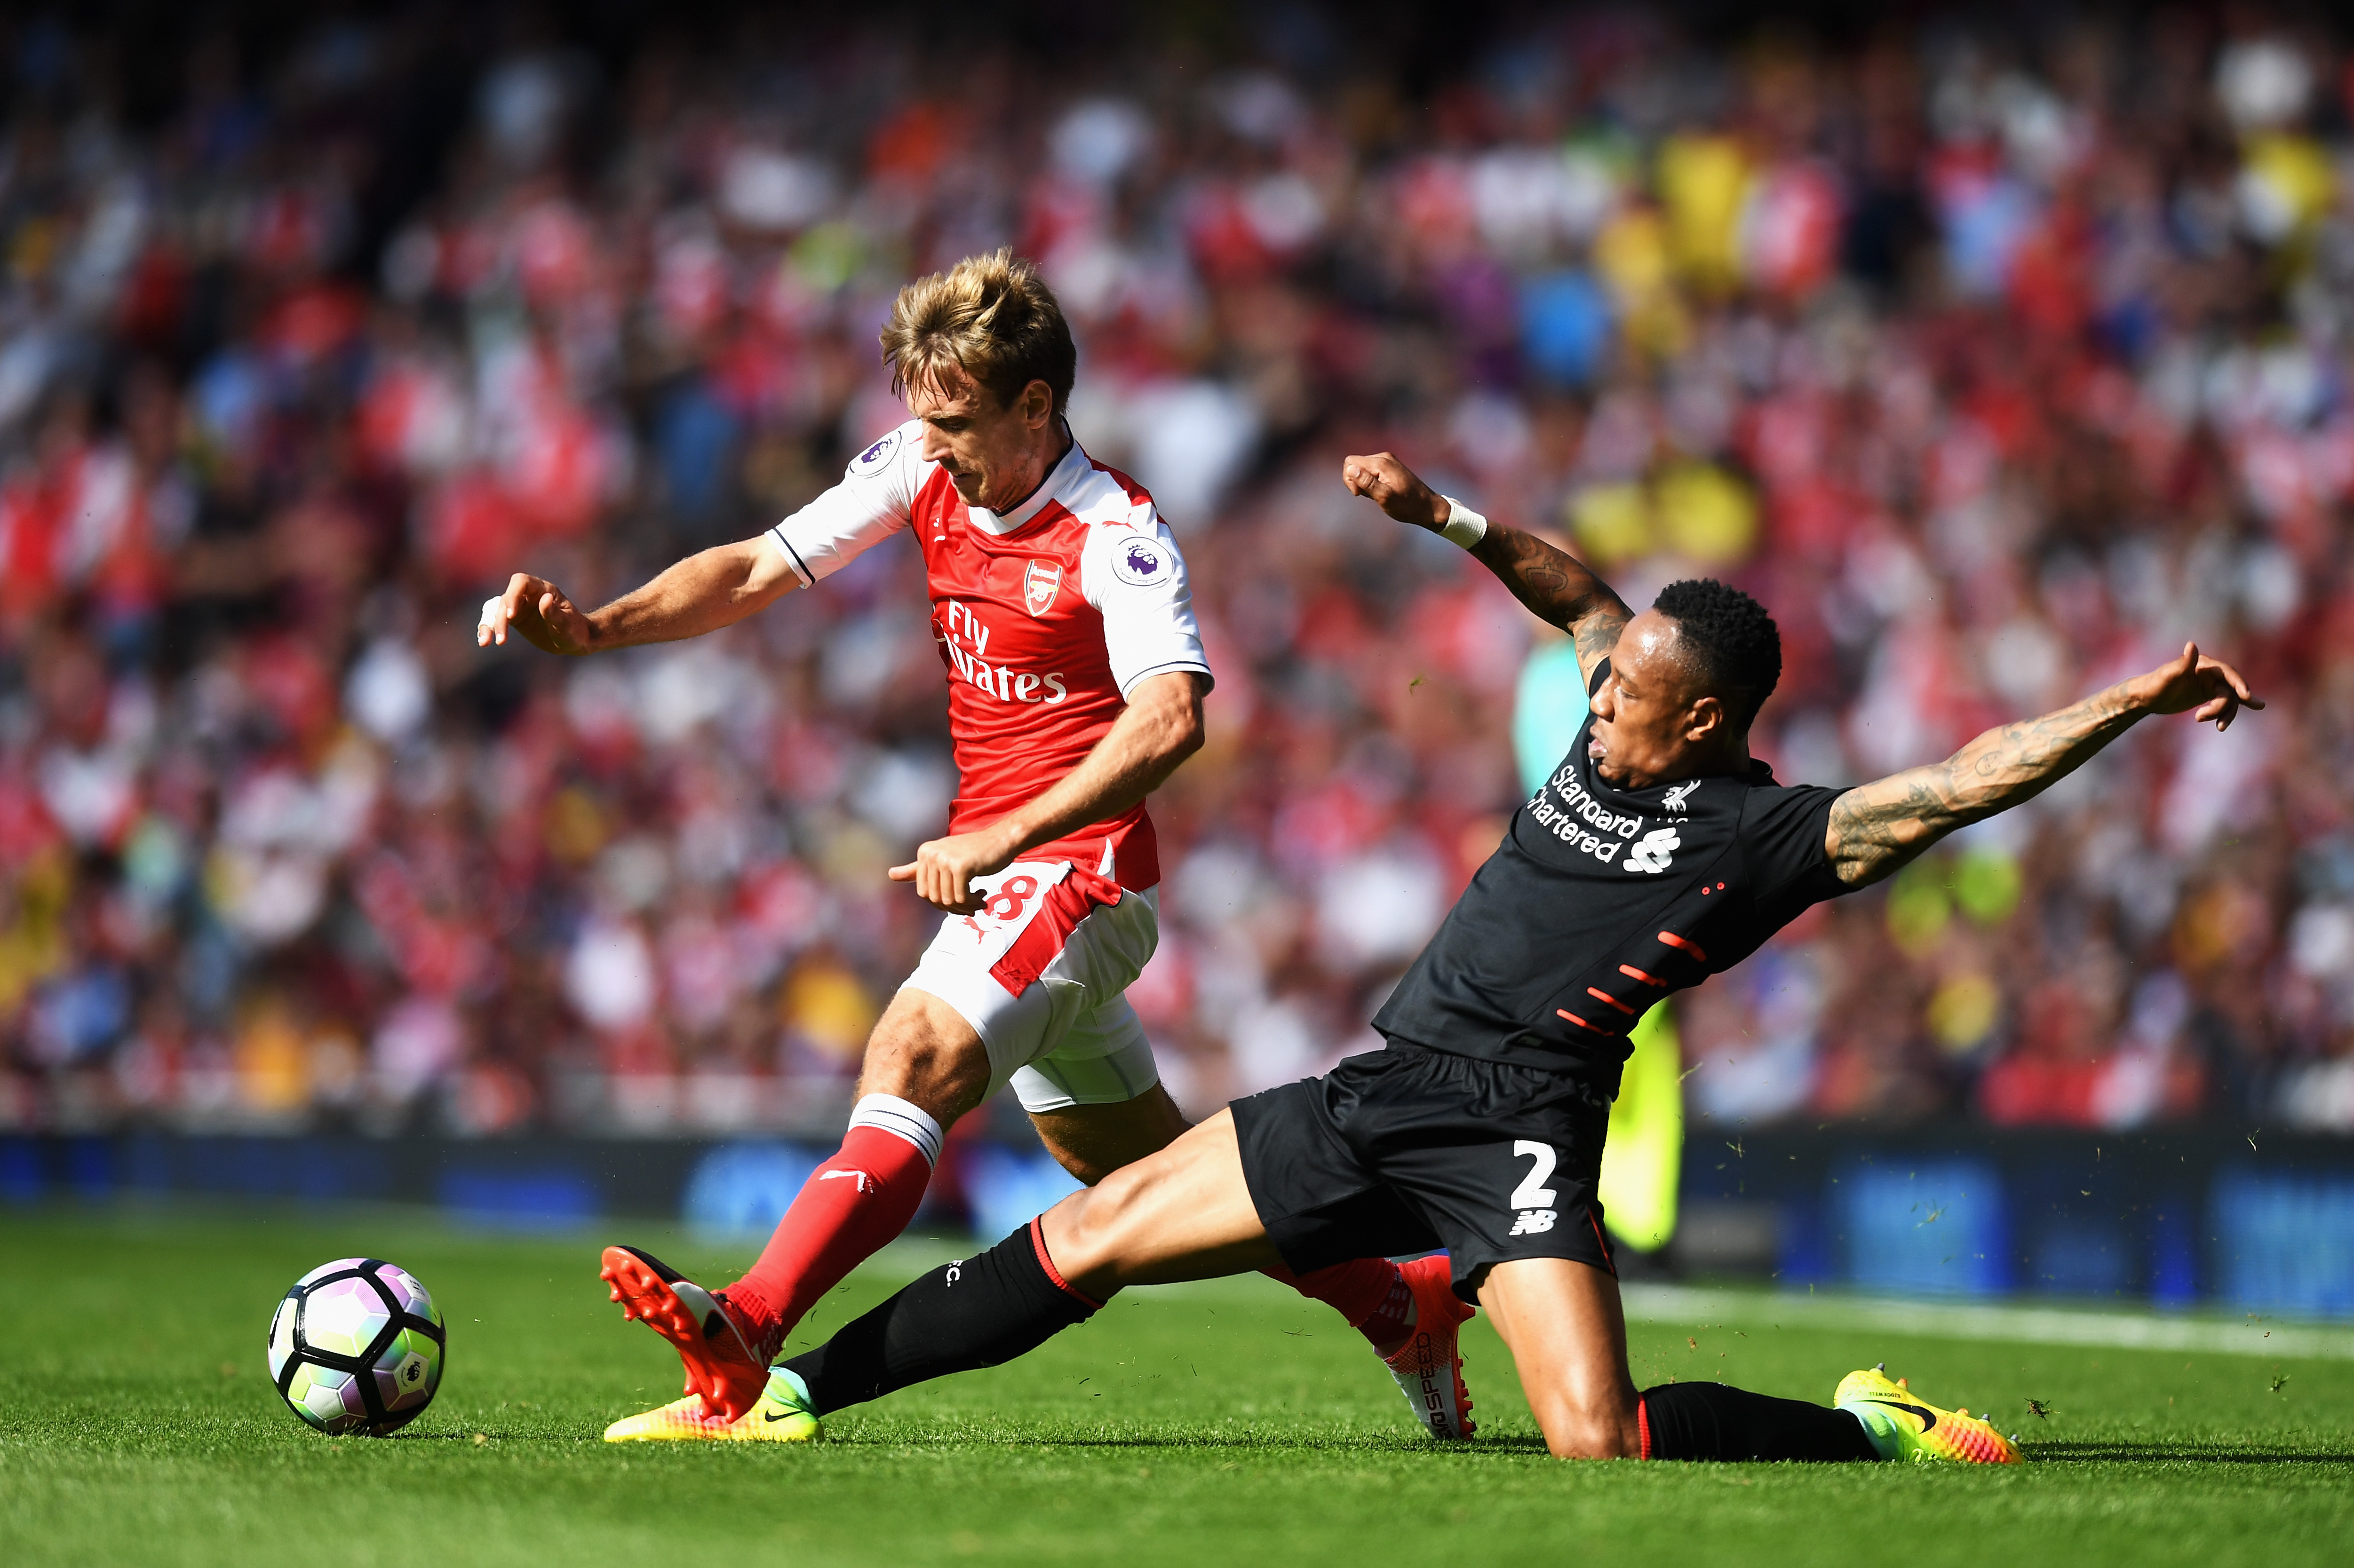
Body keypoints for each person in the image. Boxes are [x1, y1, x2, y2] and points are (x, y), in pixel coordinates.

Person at [664, 449, 2263, 1463]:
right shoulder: (1608, 701)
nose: (1596, 694)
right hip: (1381, 1087)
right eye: (1606, 675)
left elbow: (1964, 778)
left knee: (1595, 1439)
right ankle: (790, 1393)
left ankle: (1867, 1430)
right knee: (1088, 1236)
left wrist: (2129, 701)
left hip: (1522, 1132)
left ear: (1704, 717)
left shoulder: (1771, 834)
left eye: (1628, 691)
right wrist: (1448, 517)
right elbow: (1573, 595)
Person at [478, 253, 1468, 1436]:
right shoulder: (919, 465)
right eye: (924, 420)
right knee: (1144, 1180)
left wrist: (1009, 830)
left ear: (1035, 406)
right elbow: (752, 566)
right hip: (1010, 874)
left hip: (1083, 871)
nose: (933, 445)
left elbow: (1172, 717)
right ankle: (1397, 1301)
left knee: (913, 1052)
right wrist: (595, 630)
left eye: (955, 422)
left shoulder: (1116, 531)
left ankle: (747, 1323)